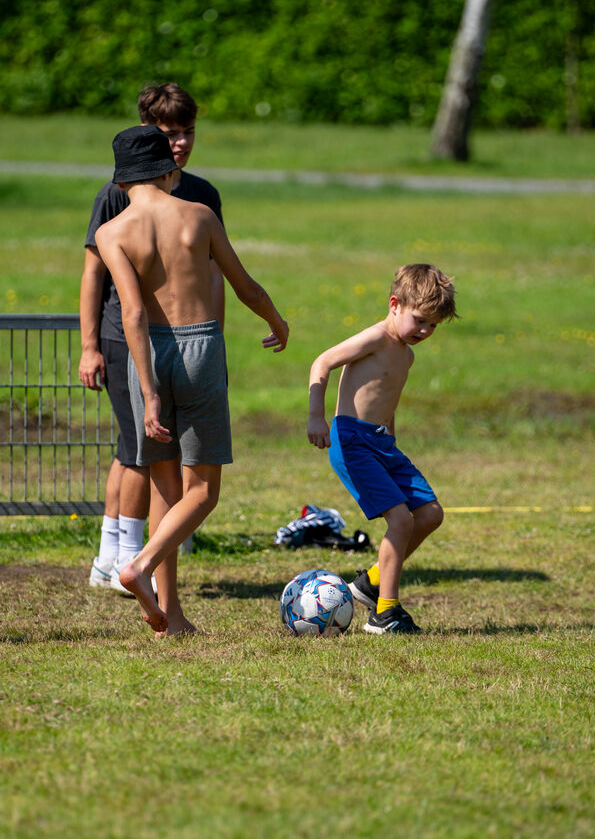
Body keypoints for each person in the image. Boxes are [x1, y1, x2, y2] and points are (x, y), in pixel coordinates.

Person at [97, 125, 288, 636]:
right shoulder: (198, 215)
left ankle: (171, 614)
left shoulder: (110, 233)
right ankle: (139, 565)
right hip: (199, 346)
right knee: (202, 494)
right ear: (169, 169)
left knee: (166, 492)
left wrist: (150, 390)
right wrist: (276, 321)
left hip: (145, 358)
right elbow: (243, 285)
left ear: (120, 183)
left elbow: (132, 315)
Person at [80, 83, 224, 591]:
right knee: (136, 451)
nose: (179, 144)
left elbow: (214, 273)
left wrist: (215, 340)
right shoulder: (116, 193)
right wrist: (90, 345)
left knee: (144, 455)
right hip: (127, 339)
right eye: (168, 134)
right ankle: (118, 557)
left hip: (190, 343)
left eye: (187, 132)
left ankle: (116, 559)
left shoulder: (203, 196)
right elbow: (93, 275)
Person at [307, 263, 457, 634]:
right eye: (420, 320)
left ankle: (371, 581)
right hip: (353, 440)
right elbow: (322, 362)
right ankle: (384, 613)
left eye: (433, 326)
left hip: (381, 443)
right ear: (395, 304)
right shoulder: (375, 338)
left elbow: (387, 402)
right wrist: (316, 416)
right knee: (401, 520)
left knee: (430, 513)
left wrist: (390, 438)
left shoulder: (406, 355)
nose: (425, 331)